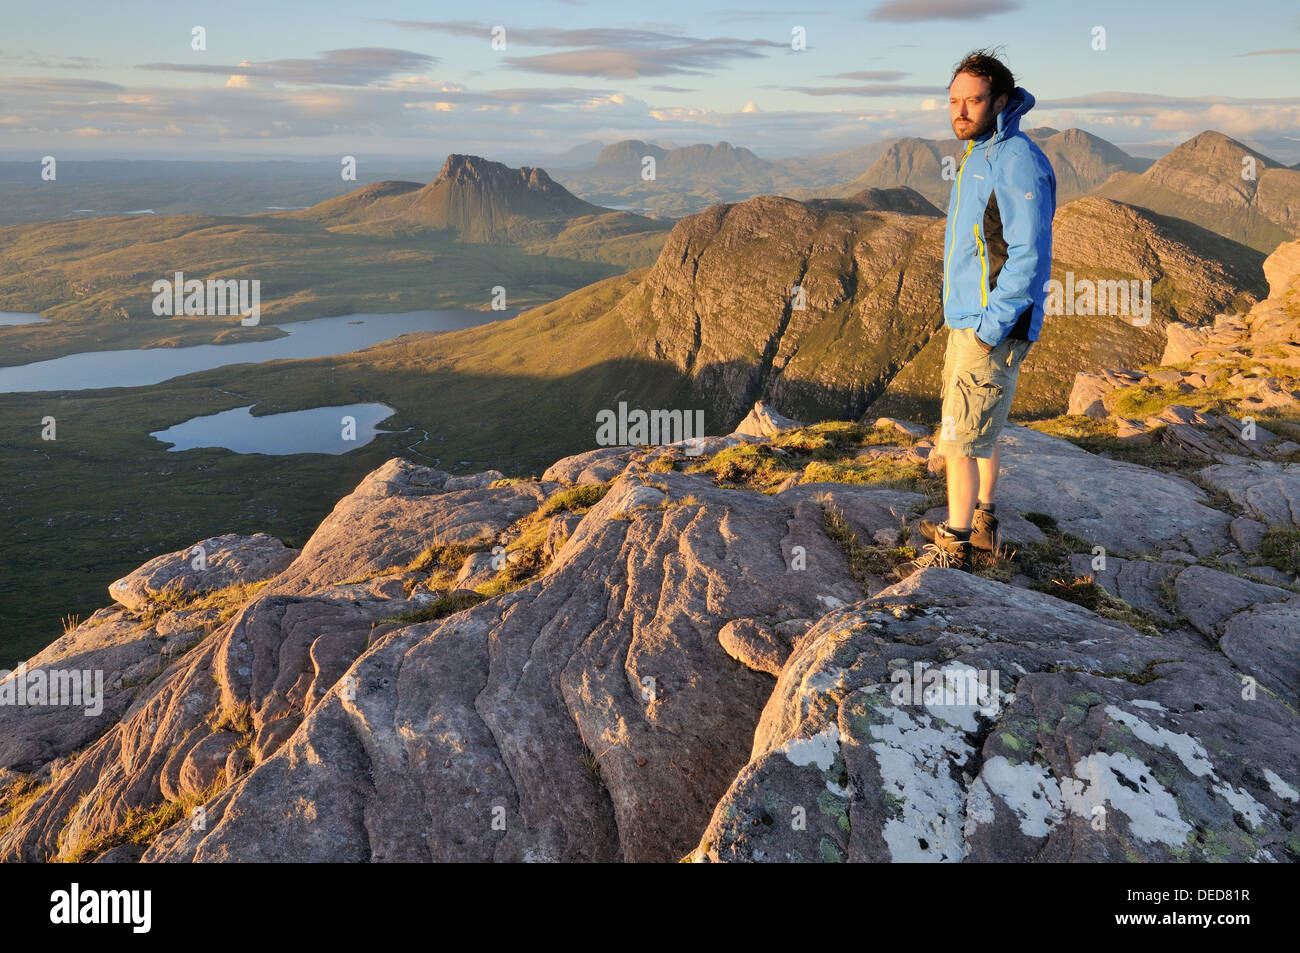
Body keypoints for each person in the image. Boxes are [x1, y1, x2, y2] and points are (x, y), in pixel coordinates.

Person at [902, 49, 1056, 576]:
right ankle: (983, 522)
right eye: (954, 101)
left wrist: (990, 328)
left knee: (959, 439)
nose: (960, 111)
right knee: (979, 428)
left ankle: (955, 543)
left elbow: (1028, 255)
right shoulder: (981, 152)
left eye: (973, 101)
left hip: (990, 323)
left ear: (1002, 100)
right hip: (973, 317)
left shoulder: (1015, 159)